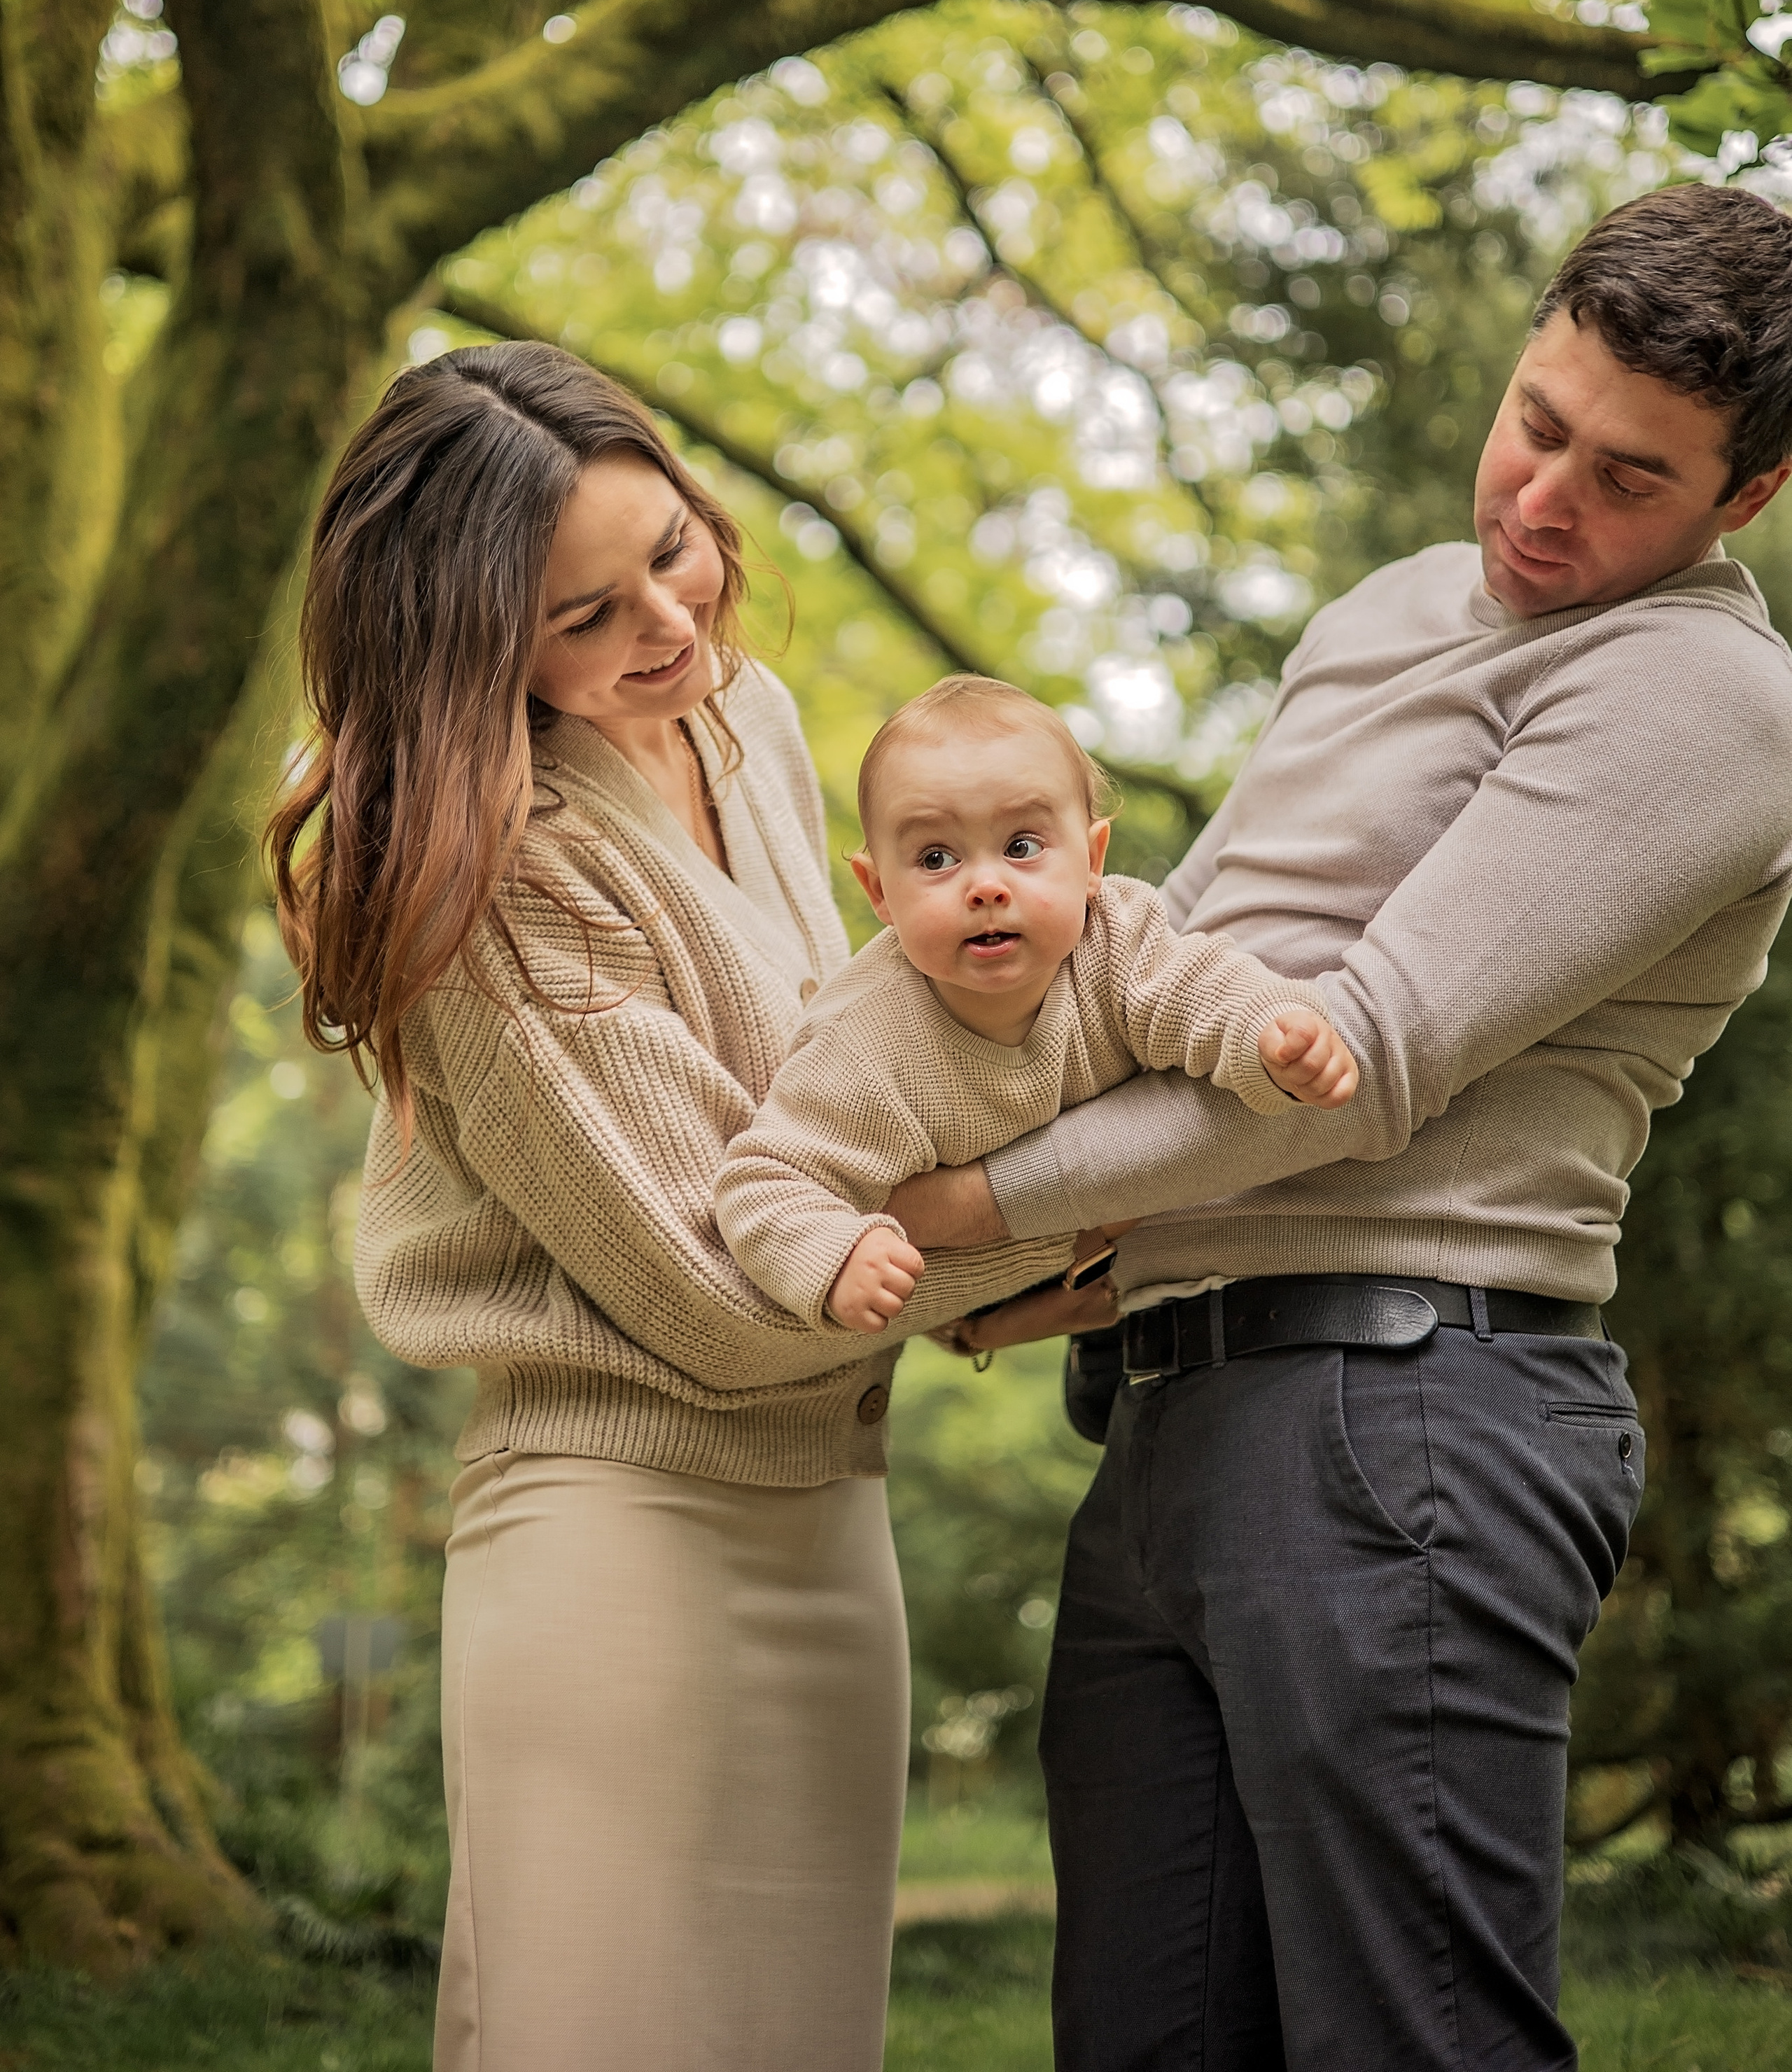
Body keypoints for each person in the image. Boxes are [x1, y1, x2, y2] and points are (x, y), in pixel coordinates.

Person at [884, 183, 1792, 2071]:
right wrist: (1043, 1238)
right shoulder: (1390, 613)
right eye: (1539, 425)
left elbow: (1359, 1059)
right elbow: (1162, 971)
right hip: (1176, 1419)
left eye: (1632, 479)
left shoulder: (1708, 695)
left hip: (1406, 1424)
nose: (1547, 501)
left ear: (1746, 501)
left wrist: (976, 1207)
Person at [267, 343, 1099, 2072]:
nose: (665, 617)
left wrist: (990, 1218)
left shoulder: (752, 722)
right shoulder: (480, 858)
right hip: (618, 1533)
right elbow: (721, 1286)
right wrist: (1064, 1218)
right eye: (582, 614)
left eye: (670, 546)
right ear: (473, 648)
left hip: (827, 1516)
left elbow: (848, 1100)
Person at [715, 675, 1356, 1335]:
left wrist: (1273, 1034)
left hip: (1153, 1274)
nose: (986, 886)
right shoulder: (862, 1044)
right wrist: (833, 1254)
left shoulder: (1115, 941)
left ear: (1091, 859)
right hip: (969, 1292)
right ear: (880, 891)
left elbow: (1203, 991)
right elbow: (765, 1178)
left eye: (1022, 847)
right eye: (936, 858)